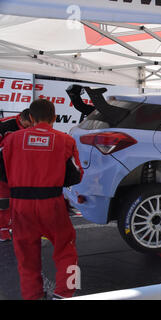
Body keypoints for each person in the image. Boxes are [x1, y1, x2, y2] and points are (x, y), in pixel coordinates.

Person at [0, 99, 83, 300]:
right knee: (66, 249)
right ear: (54, 118)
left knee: (26, 257)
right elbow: (76, 175)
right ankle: (66, 293)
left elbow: (2, 173)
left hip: (20, 206)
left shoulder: (11, 140)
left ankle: (32, 296)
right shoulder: (65, 140)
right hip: (51, 203)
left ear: (30, 117)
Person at [0, 109, 32, 241]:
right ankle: (3, 230)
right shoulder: (5, 125)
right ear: (22, 119)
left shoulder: (34, 127)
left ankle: (13, 225)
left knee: (19, 201)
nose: (31, 128)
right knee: (4, 201)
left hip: (21, 170)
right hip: (3, 170)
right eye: (28, 125)